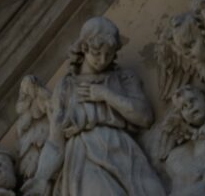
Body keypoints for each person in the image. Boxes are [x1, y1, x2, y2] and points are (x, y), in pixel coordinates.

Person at [25, 17, 167, 196]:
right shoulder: (67, 86)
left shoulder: (123, 78)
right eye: (97, 53)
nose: (103, 60)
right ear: (84, 48)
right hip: (85, 156)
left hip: (122, 151)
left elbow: (145, 117)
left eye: (109, 54)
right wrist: (41, 178)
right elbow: (56, 139)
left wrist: (105, 94)